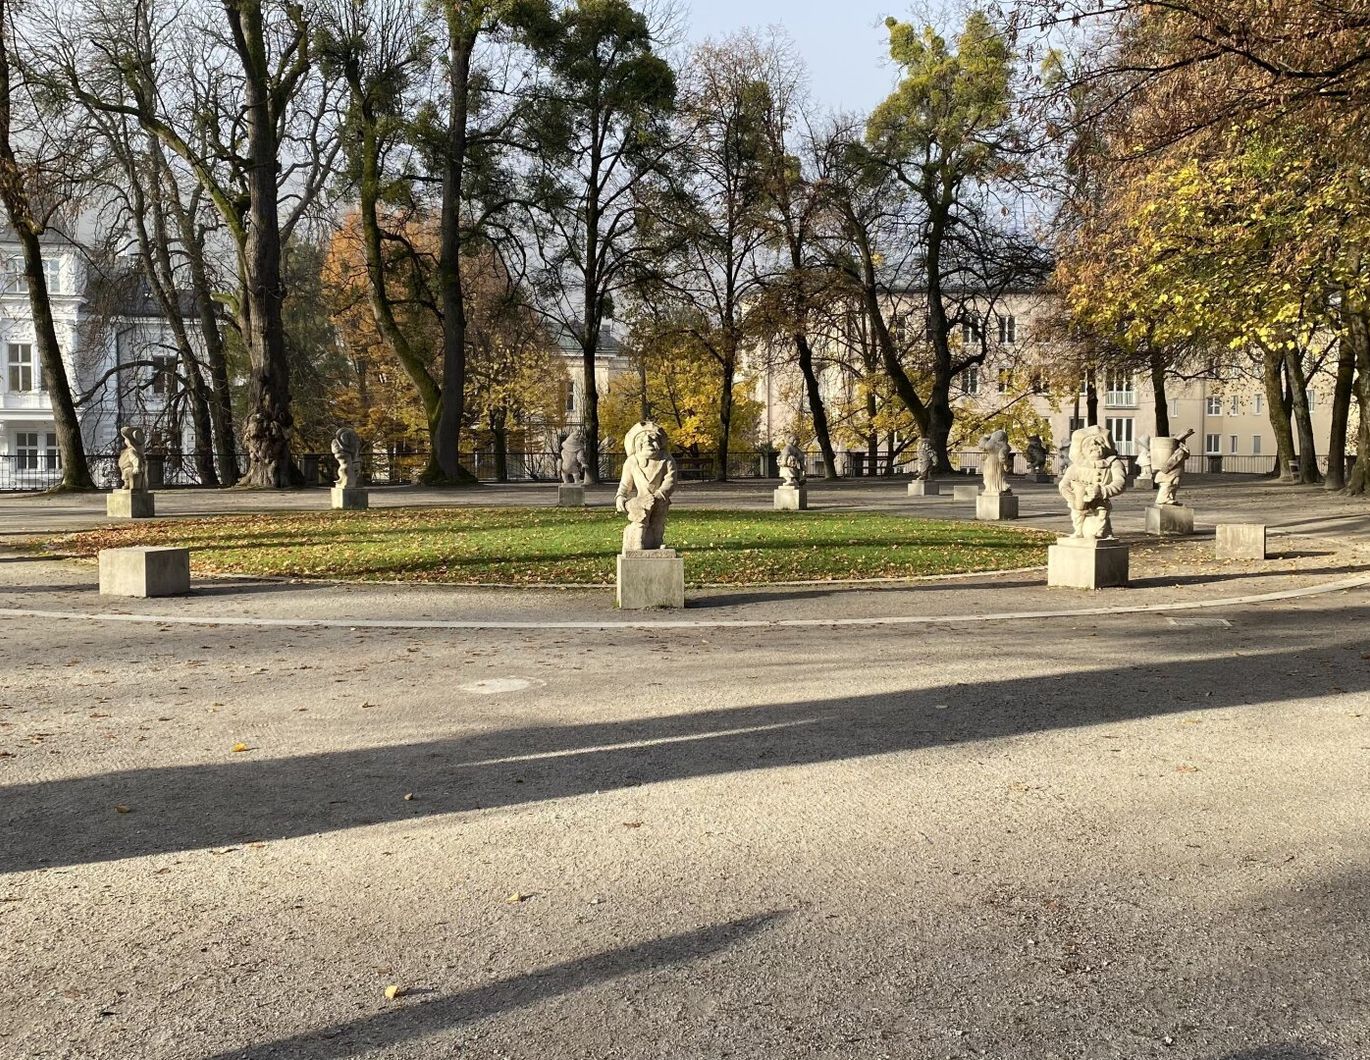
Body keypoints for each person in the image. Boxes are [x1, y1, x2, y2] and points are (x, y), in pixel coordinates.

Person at [615, 421, 678, 551]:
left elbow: (670, 480)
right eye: (642, 440)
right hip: (641, 500)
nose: (648, 442)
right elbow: (625, 484)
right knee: (640, 519)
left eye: (653, 439)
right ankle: (637, 542)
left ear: (660, 443)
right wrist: (620, 496)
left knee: (658, 522)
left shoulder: (666, 460)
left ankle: (656, 542)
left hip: (661, 499)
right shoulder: (632, 461)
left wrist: (660, 494)